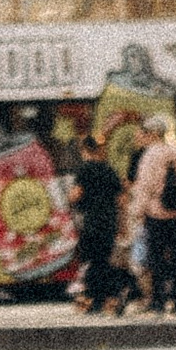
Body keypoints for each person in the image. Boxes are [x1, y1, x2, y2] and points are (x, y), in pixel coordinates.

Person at [128, 113, 176, 317]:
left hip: (156, 216)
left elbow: (145, 189)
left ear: (152, 133)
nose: (141, 136)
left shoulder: (150, 155)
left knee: (157, 262)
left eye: (144, 132)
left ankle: (159, 302)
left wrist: (135, 213)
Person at [71, 131, 125, 314]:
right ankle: (110, 296)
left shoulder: (84, 169)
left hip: (91, 221)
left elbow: (76, 194)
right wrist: (121, 224)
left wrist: (72, 201)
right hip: (109, 221)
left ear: (85, 149)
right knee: (103, 260)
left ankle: (98, 299)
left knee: (92, 261)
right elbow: (122, 200)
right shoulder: (109, 169)